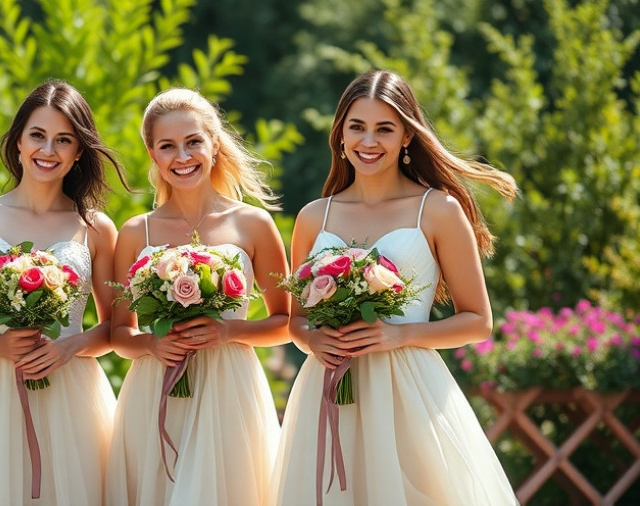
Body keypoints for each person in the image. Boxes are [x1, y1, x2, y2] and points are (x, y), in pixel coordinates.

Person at [270, 69, 519, 505]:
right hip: (327, 394)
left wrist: (398, 334)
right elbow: (297, 322)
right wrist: (314, 339)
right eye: (357, 127)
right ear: (340, 135)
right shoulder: (314, 217)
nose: (369, 142)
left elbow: (478, 321)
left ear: (407, 136)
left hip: (408, 395)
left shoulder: (438, 210)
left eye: (384, 129)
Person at [0, 80, 128, 505]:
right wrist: (1, 345)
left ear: (78, 152)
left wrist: (71, 347)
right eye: (37, 135)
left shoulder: (97, 229)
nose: (48, 150)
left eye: (63, 140)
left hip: (72, 390)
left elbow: (117, 328)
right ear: (17, 143)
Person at [105, 88, 290, 506]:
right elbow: (119, 332)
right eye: (167, 146)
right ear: (152, 155)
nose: (182, 157)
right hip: (156, 386)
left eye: (193, 142)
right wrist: (152, 343)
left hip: (231, 388)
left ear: (214, 144)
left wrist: (229, 331)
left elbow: (288, 322)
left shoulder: (253, 224)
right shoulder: (137, 232)